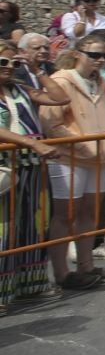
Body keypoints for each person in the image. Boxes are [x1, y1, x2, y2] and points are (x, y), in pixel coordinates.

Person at [39, 33, 105, 291]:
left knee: (89, 212)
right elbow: (51, 122)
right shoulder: (61, 81)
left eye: (104, 56)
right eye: (94, 55)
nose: (100, 60)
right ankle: (62, 272)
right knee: (65, 215)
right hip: (69, 157)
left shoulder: (101, 83)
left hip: (101, 157)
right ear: (78, 54)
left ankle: (86, 265)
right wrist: (81, 143)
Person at [0, 44, 59, 308]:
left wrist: (36, 69)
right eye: (3, 62)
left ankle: (29, 284)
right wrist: (34, 143)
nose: (8, 68)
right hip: (5, 165)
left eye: (14, 63)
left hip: (30, 164)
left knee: (33, 222)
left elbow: (59, 98)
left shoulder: (21, 88)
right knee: (4, 227)